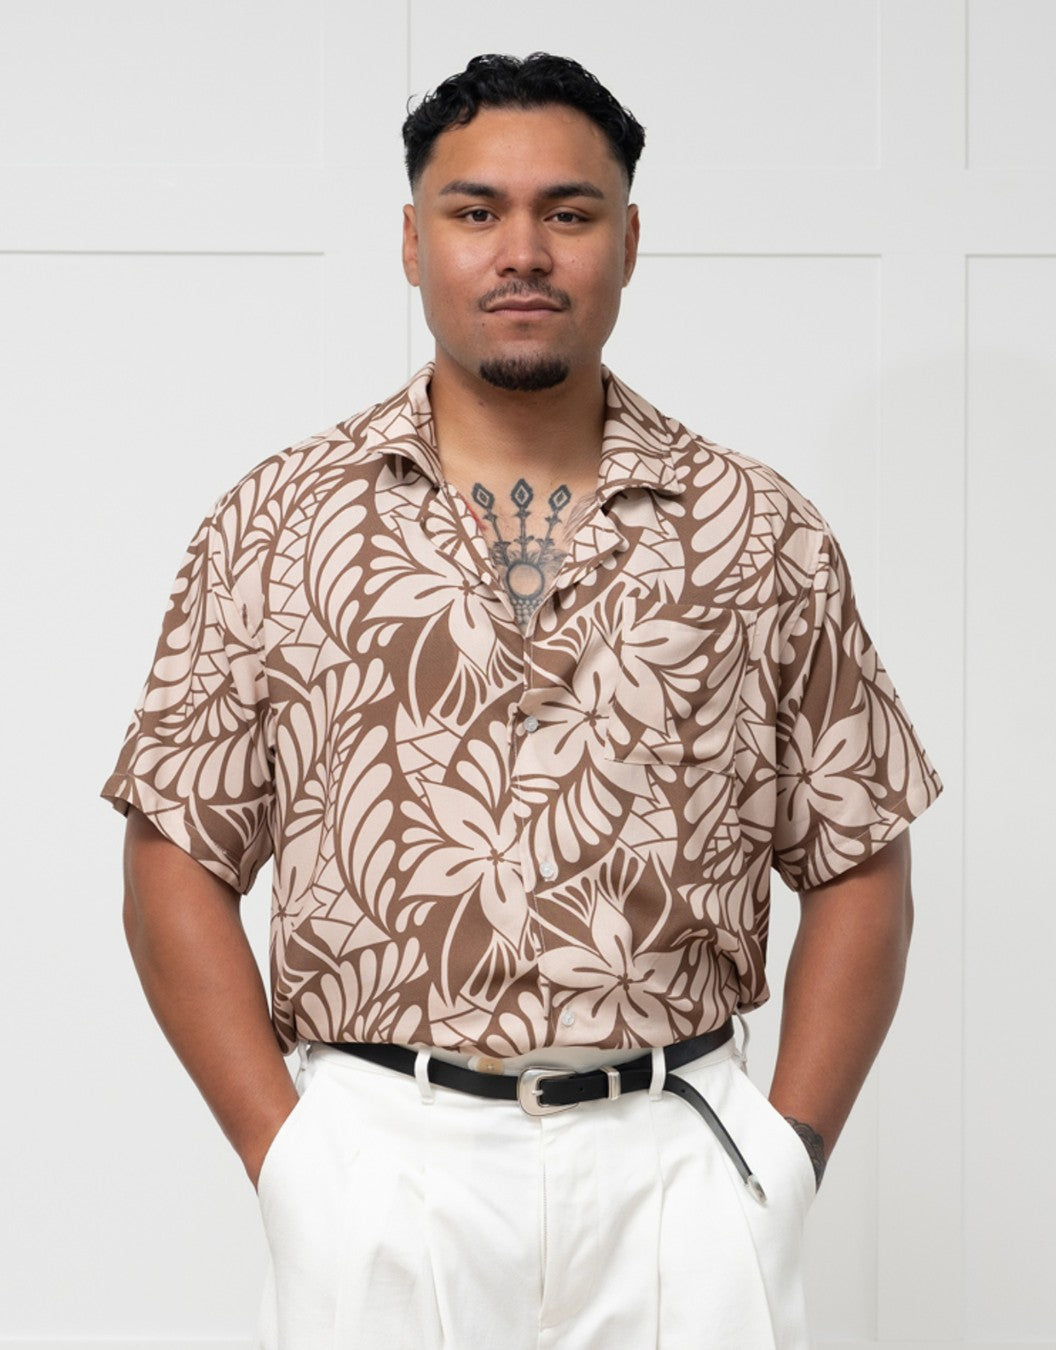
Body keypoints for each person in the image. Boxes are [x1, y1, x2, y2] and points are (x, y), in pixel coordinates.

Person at [102, 52, 942, 1349]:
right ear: (412, 237)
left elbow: (860, 850)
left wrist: (782, 1161)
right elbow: (173, 850)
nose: (524, 250)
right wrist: (288, 1159)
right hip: (381, 1168)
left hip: (682, 1172)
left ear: (629, 238)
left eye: (569, 209)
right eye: (476, 208)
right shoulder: (277, 521)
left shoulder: (756, 529)